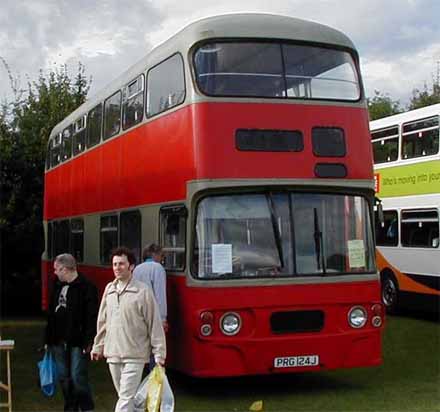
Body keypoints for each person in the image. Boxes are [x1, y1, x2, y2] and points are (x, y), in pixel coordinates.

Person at [91, 247, 166, 412]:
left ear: (131, 266)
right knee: (126, 398)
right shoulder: (109, 290)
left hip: (135, 354)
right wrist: (98, 346)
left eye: (122, 264)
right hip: (113, 354)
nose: (117, 267)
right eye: (115, 264)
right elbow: (103, 321)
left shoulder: (143, 291)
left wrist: (159, 353)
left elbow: (154, 324)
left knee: (125, 399)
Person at [45, 253, 98, 412]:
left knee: (77, 375)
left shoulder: (87, 287)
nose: (54, 272)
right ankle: (70, 406)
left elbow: (91, 316)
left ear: (65, 268)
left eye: (57, 269)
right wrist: (47, 339)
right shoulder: (57, 285)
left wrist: (89, 340)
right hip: (58, 338)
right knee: (63, 376)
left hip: (78, 338)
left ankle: (86, 406)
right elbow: (51, 314)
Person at [133, 244, 168, 332]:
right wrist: (163, 318)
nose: (162, 258)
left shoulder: (137, 268)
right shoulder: (158, 268)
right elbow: (160, 294)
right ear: (154, 254)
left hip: (137, 312)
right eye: (161, 255)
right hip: (152, 314)